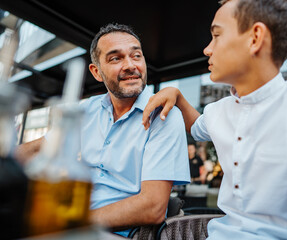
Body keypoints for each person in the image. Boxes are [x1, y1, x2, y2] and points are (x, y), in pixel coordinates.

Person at [142, 0, 287, 239]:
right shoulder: (218, 111)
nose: (207, 49)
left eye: (216, 35)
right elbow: (196, 126)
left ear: (255, 37)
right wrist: (178, 96)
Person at [16, 23, 190, 237]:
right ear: (96, 72)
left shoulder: (164, 115)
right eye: (115, 58)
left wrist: (72, 221)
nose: (130, 65)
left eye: (136, 56)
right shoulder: (87, 109)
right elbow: (40, 148)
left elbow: (152, 208)